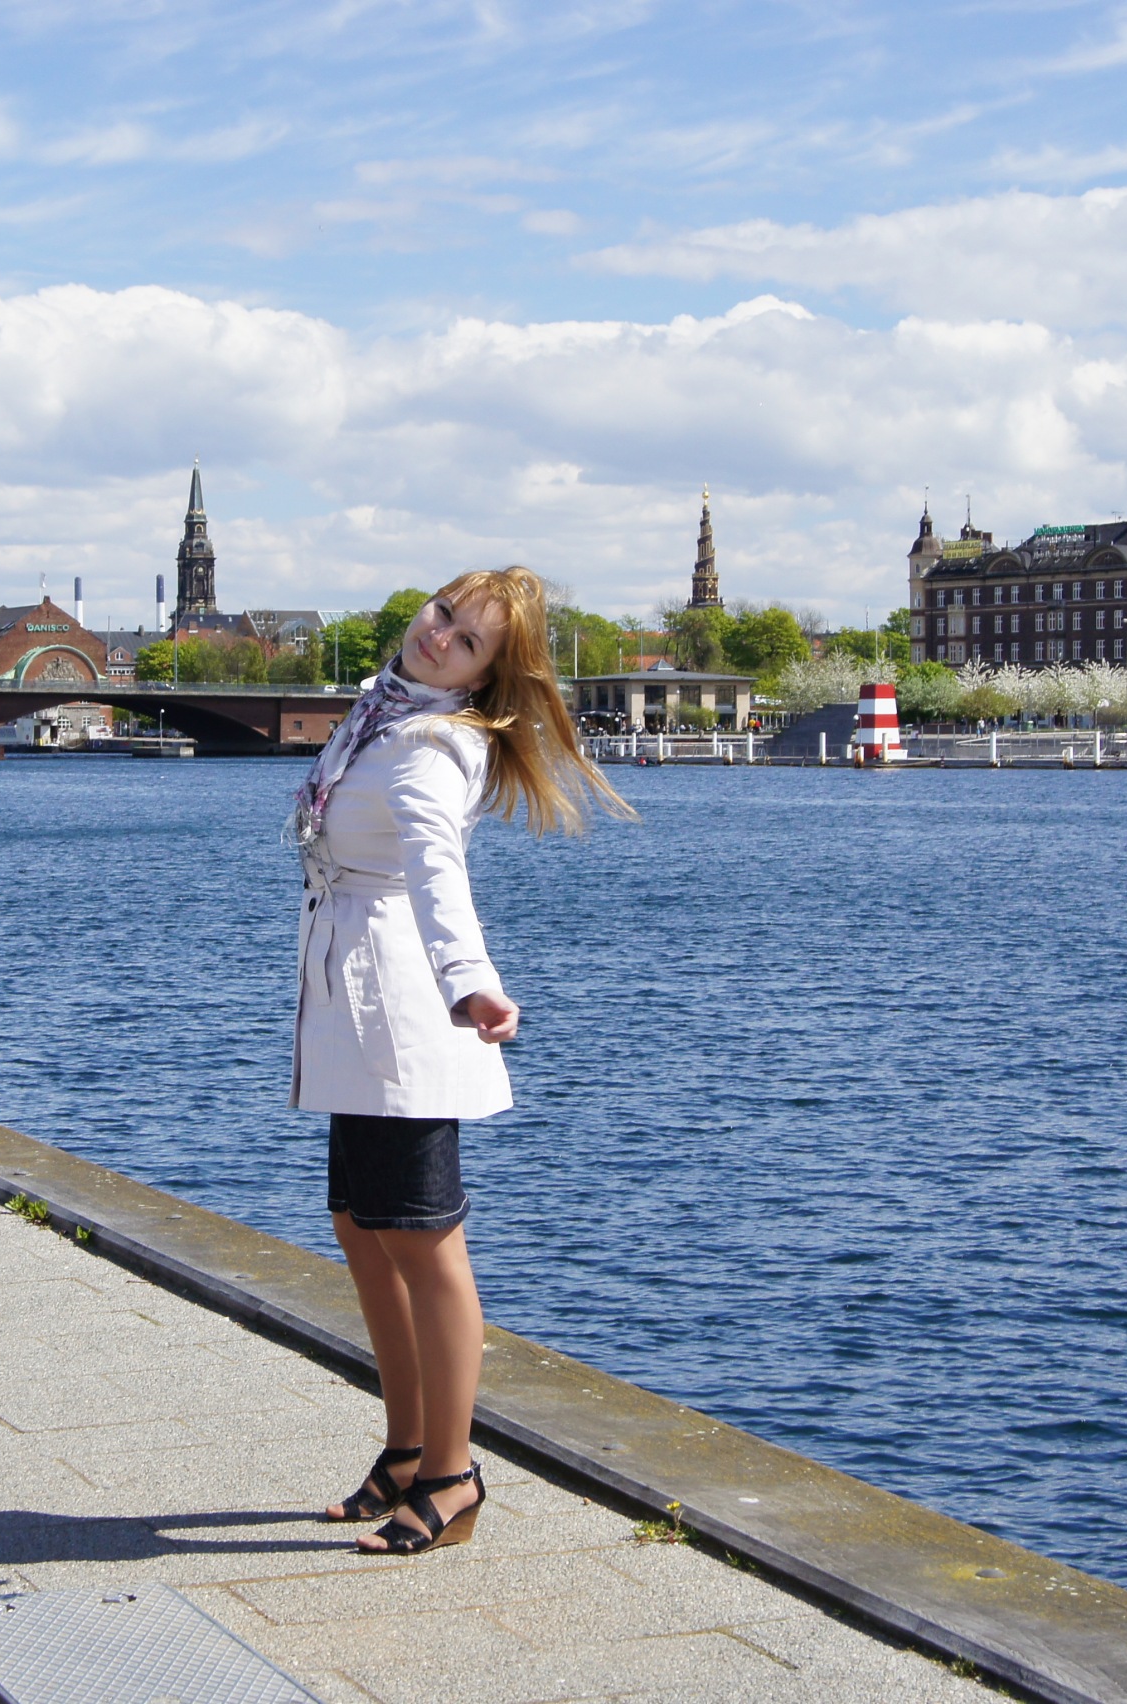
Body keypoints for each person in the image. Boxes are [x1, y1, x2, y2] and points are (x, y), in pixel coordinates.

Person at [286, 566, 630, 1555]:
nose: (439, 636)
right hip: (350, 1004)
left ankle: (451, 1474)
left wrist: (471, 981)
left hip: (403, 1012)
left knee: (423, 1240)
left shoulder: (434, 744)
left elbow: (436, 866)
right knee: (362, 1226)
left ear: (482, 678)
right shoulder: (386, 710)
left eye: (467, 641)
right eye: (443, 614)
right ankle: (404, 1451)